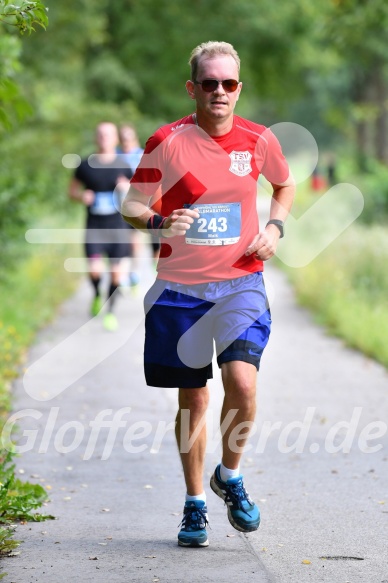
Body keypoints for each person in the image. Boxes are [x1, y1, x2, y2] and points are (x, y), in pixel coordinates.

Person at [122, 41, 295, 547]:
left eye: (229, 84)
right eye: (210, 83)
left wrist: (275, 229)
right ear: (192, 88)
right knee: (193, 398)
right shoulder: (168, 141)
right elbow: (132, 203)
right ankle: (195, 502)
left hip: (242, 280)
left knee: (242, 382)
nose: (220, 92)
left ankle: (230, 475)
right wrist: (158, 220)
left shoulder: (258, 140)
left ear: (240, 89)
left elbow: (283, 186)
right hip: (181, 289)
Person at [69, 122, 133, 331]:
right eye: (100, 135)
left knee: (116, 274)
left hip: (118, 227)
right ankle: (97, 294)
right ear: (96, 138)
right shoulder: (86, 165)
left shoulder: (123, 165)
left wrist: (127, 188)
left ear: (115, 139)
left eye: (108, 135)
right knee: (95, 271)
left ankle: (110, 311)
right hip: (94, 227)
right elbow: (72, 192)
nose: (104, 138)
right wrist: (81, 197)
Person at [118, 125, 161, 282]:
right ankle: (131, 273)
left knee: (152, 238)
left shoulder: (143, 155)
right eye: (122, 138)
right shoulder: (115, 155)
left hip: (145, 202)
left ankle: (150, 268)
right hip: (121, 204)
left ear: (134, 138)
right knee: (131, 240)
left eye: (128, 138)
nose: (125, 141)